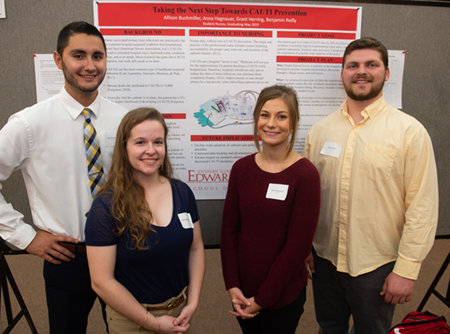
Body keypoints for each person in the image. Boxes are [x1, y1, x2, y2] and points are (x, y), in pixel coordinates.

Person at [303, 37, 439, 334]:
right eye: (353, 65)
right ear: (342, 73)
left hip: (376, 265)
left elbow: (423, 207)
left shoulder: (409, 132)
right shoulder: (321, 130)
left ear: (386, 73)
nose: (361, 71)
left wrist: (406, 270)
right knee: (329, 327)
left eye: (371, 65)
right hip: (325, 261)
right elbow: (308, 199)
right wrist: (305, 246)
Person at [0, 21, 127, 333]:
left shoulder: (124, 120)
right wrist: (25, 237)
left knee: (129, 328)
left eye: (98, 56)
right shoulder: (29, 124)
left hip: (123, 251)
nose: (89, 65)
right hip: (68, 258)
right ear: (59, 60)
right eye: (78, 55)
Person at [85, 107, 205, 334]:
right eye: (140, 142)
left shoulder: (182, 192)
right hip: (133, 320)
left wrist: (193, 301)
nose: (151, 150)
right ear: (125, 148)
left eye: (158, 142)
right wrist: (153, 323)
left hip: (180, 314)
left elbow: (196, 249)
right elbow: (101, 281)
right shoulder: (106, 207)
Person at [221, 85, 321, 334]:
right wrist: (232, 284)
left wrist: (263, 299)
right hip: (242, 292)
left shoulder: (305, 175)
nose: (271, 123)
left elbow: (298, 247)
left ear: (293, 121)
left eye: (281, 116)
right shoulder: (241, 169)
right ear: (256, 120)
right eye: (265, 115)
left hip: (282, 296)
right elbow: (229, 231)